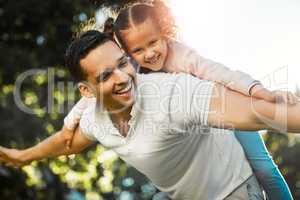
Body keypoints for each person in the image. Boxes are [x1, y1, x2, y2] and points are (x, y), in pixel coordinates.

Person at [1, 31, 300, 199]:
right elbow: (64, 143)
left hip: (232, 191)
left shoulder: (171, 94)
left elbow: (262, 114)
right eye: (106, 75)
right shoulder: (94, 118)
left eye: (123, 64)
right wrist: (22, 157)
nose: (122, 77)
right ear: (86, 91)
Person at [63, 1, 296, 199]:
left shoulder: (181, 56)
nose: (149, 54)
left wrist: (259, 91)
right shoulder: (129, 68)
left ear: (164, 34)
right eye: (139, 50)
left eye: (153, 43)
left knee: (264, 167)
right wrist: (69, 124)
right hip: (193, 139)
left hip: (228, 110)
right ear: (128, 53)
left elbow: (222, 73)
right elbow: (91, 99)